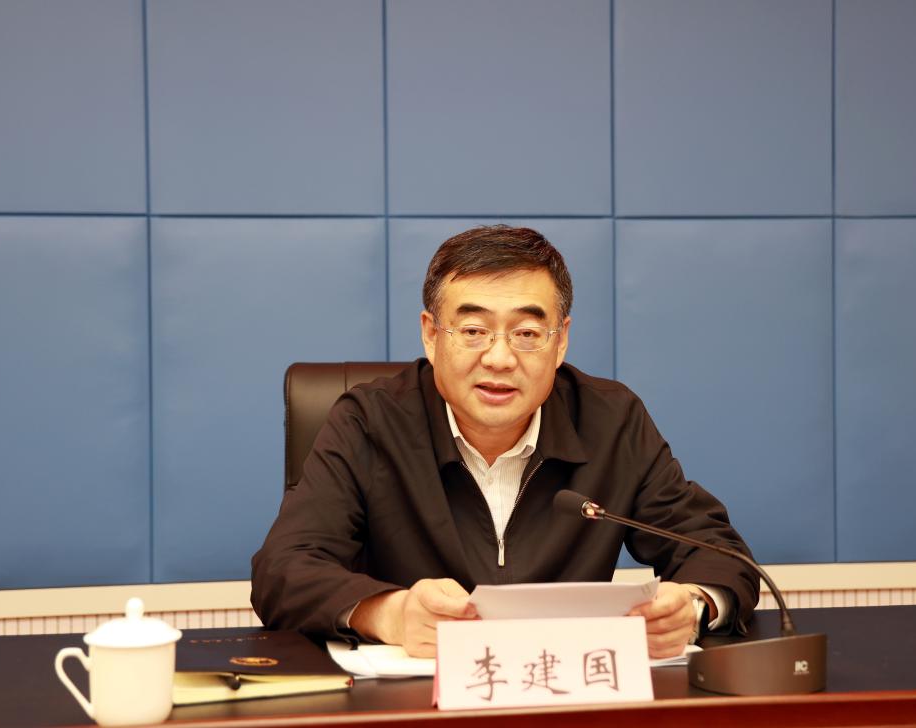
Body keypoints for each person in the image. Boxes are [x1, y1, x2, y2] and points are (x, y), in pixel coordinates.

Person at [251, 225, 759, 658]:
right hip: (413, 705)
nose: (499, 358)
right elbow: (283, 570)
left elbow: (718, 552)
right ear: (431, 334)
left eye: (527, 334)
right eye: (473, 330)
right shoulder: (369, 422)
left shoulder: (611, 420)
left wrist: (693, 607)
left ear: (560, 341)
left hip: (566, 701)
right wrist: (390, 613)